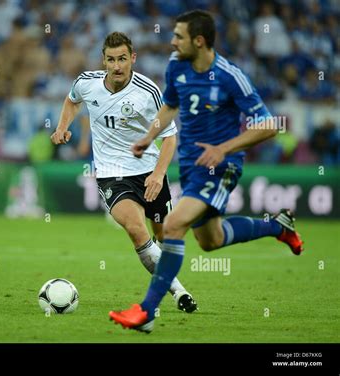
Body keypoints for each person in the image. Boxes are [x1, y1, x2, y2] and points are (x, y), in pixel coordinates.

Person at [109, 10, 304, 333]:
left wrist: (223, 148)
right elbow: (170, 105)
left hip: (221, 166)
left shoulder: (230, 76)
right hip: (191, 166)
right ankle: (277, 227)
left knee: (172, 226)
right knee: (211, 240)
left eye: (179, 37)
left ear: (198, 41)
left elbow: (269, 125)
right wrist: (148, 137)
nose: (172, 42)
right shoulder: (176, 66)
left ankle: (146, 311)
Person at [50, 32, 197, 313]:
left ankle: (161, 262)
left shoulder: (149, 92)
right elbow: (71, 100)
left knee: (165, 238)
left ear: (133, 59)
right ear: (103, 61)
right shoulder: (87, 83)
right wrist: (62, 126)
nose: (117, 66)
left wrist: (157, 175)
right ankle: (180, 292)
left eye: (122, 59)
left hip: (149, 172)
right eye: (111, 60)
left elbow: (169, 137)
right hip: (111, 173)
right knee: (134, 228)